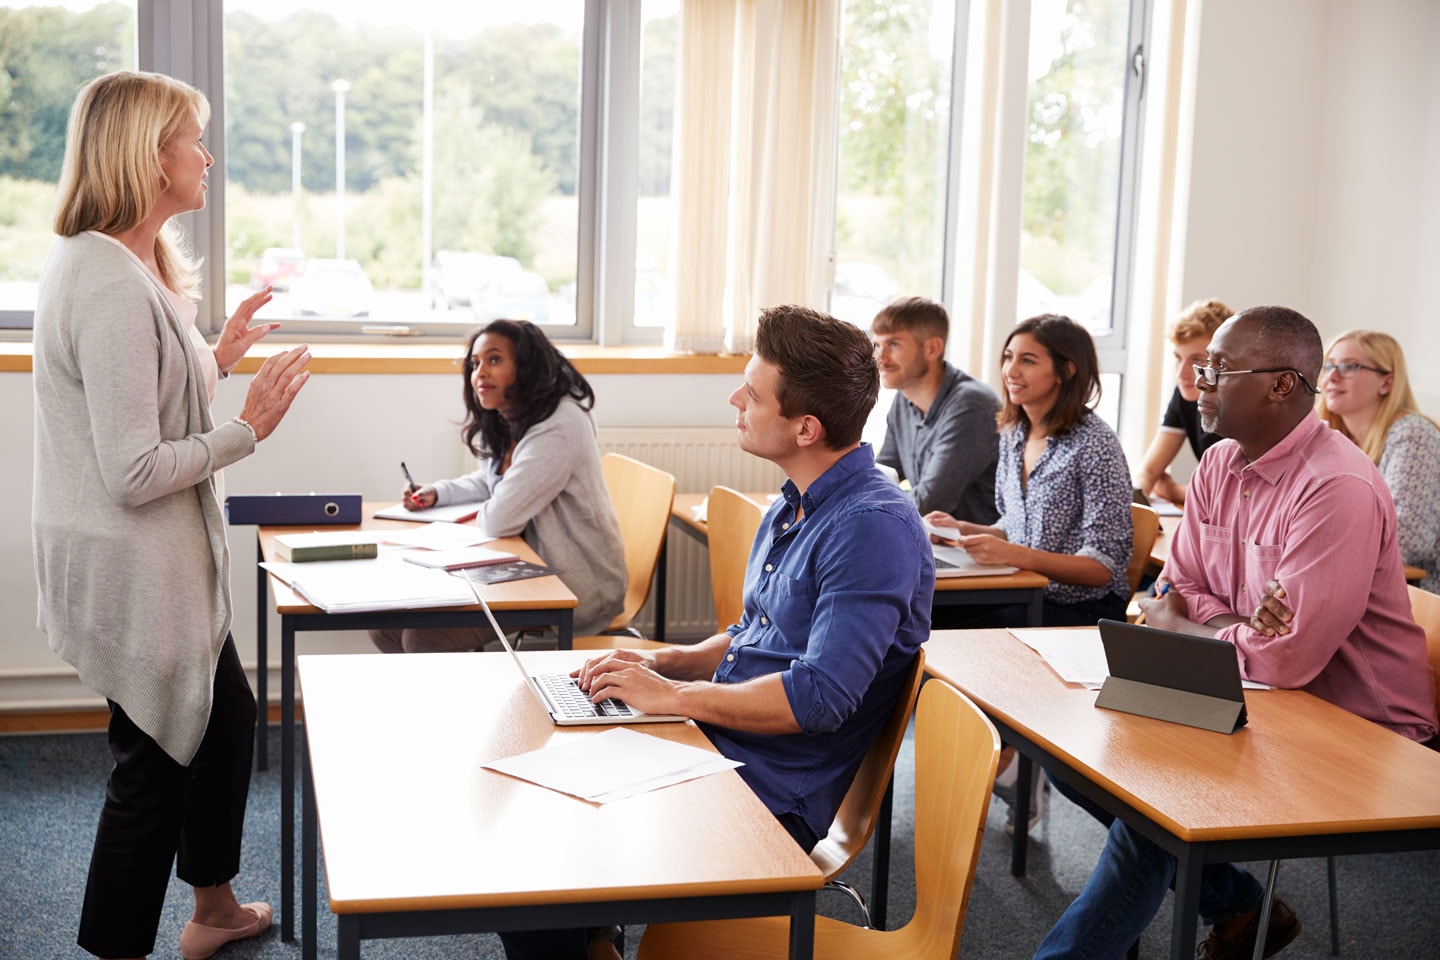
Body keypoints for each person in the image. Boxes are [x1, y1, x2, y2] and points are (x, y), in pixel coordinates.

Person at [499, 305, 933, 960]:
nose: (735, 399)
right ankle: (595, 939)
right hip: (715, 746)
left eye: (753, 395)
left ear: (807, 427)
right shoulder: (793, 504)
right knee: (535, 779)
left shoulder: (872, 527)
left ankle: (588, 935)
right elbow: (755, 632)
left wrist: (673, 701)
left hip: (766, 793)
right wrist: (668, 665)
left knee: (533, 862)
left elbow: (818, 697)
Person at [1033, 306, 1438, 960]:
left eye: (1217, 368)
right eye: (1199, 366)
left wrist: (1198, 623)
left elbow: (1285, 659)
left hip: (1356, 727)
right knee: (1078, 761)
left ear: (1282, 385)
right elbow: (1177, 590)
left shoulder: (1336, 487)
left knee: (1157, 798)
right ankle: (1244, 905)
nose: (1198, 382)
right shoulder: (1219, 464)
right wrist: (1223, 622)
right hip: (1254, 694)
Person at [32, 71, 312, 960]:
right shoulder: (110, 282)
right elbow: (134, 468)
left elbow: (145, 401)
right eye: (195, 137)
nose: (207, 154)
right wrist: (246, 431)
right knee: (154, 762)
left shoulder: (117, 262)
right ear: (151, 156)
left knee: (224, 721)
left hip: (146, 557)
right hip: (130, 559)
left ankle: (215, 907)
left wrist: (214, 355)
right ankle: (114, 947)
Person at [370, 319, 627, 651]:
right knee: (386, 627)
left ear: (527, 366)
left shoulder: (559, 425)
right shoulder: (515, 415)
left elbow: (499, 517)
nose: (480, 373)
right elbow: (494, 482)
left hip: (572, 585)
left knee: (425, 637)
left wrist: (494, 499)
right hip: (525, 567)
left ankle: (469, 704)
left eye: (494, 360)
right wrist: (439, 493)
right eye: (475, 364)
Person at [926, 314, 1133, 627]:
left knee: (936, 623)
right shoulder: (1013, 434)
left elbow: (1100, 568)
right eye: (1008, 357)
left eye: (1028, 360)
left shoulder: (1095, 444)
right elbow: (1016, 526)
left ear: (1066, 370)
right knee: (916, 612)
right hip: (1025, 593)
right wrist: (963, 529)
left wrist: (1013, 554)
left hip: (1081, 609)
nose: (1011, 370)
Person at [1317, 330, 1440, 592]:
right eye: (1328, 365)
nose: (1331, 376)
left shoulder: (1412, 434)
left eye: (1349, 366)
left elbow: (1407, 541)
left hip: (1417, 595)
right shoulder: (1333, 442)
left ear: (1386, 382)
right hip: (1357, 583)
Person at [871, 295, 1000, 522]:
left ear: (932, 349)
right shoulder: (904, 398)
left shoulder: (971, 406)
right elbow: (880, 476)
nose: (880, 358)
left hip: (969, 552)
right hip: (934, 542)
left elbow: (928, 503)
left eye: (893, 344)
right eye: (877, 345)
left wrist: (867, 504)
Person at [1134, 298, 1232, 505]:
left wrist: (1173, 491)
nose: (1182, 373)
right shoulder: (1184, 394)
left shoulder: (1241, 405)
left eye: (1197, 360)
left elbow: (1229, 494)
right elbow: (1149, 471)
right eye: (1178, 357)